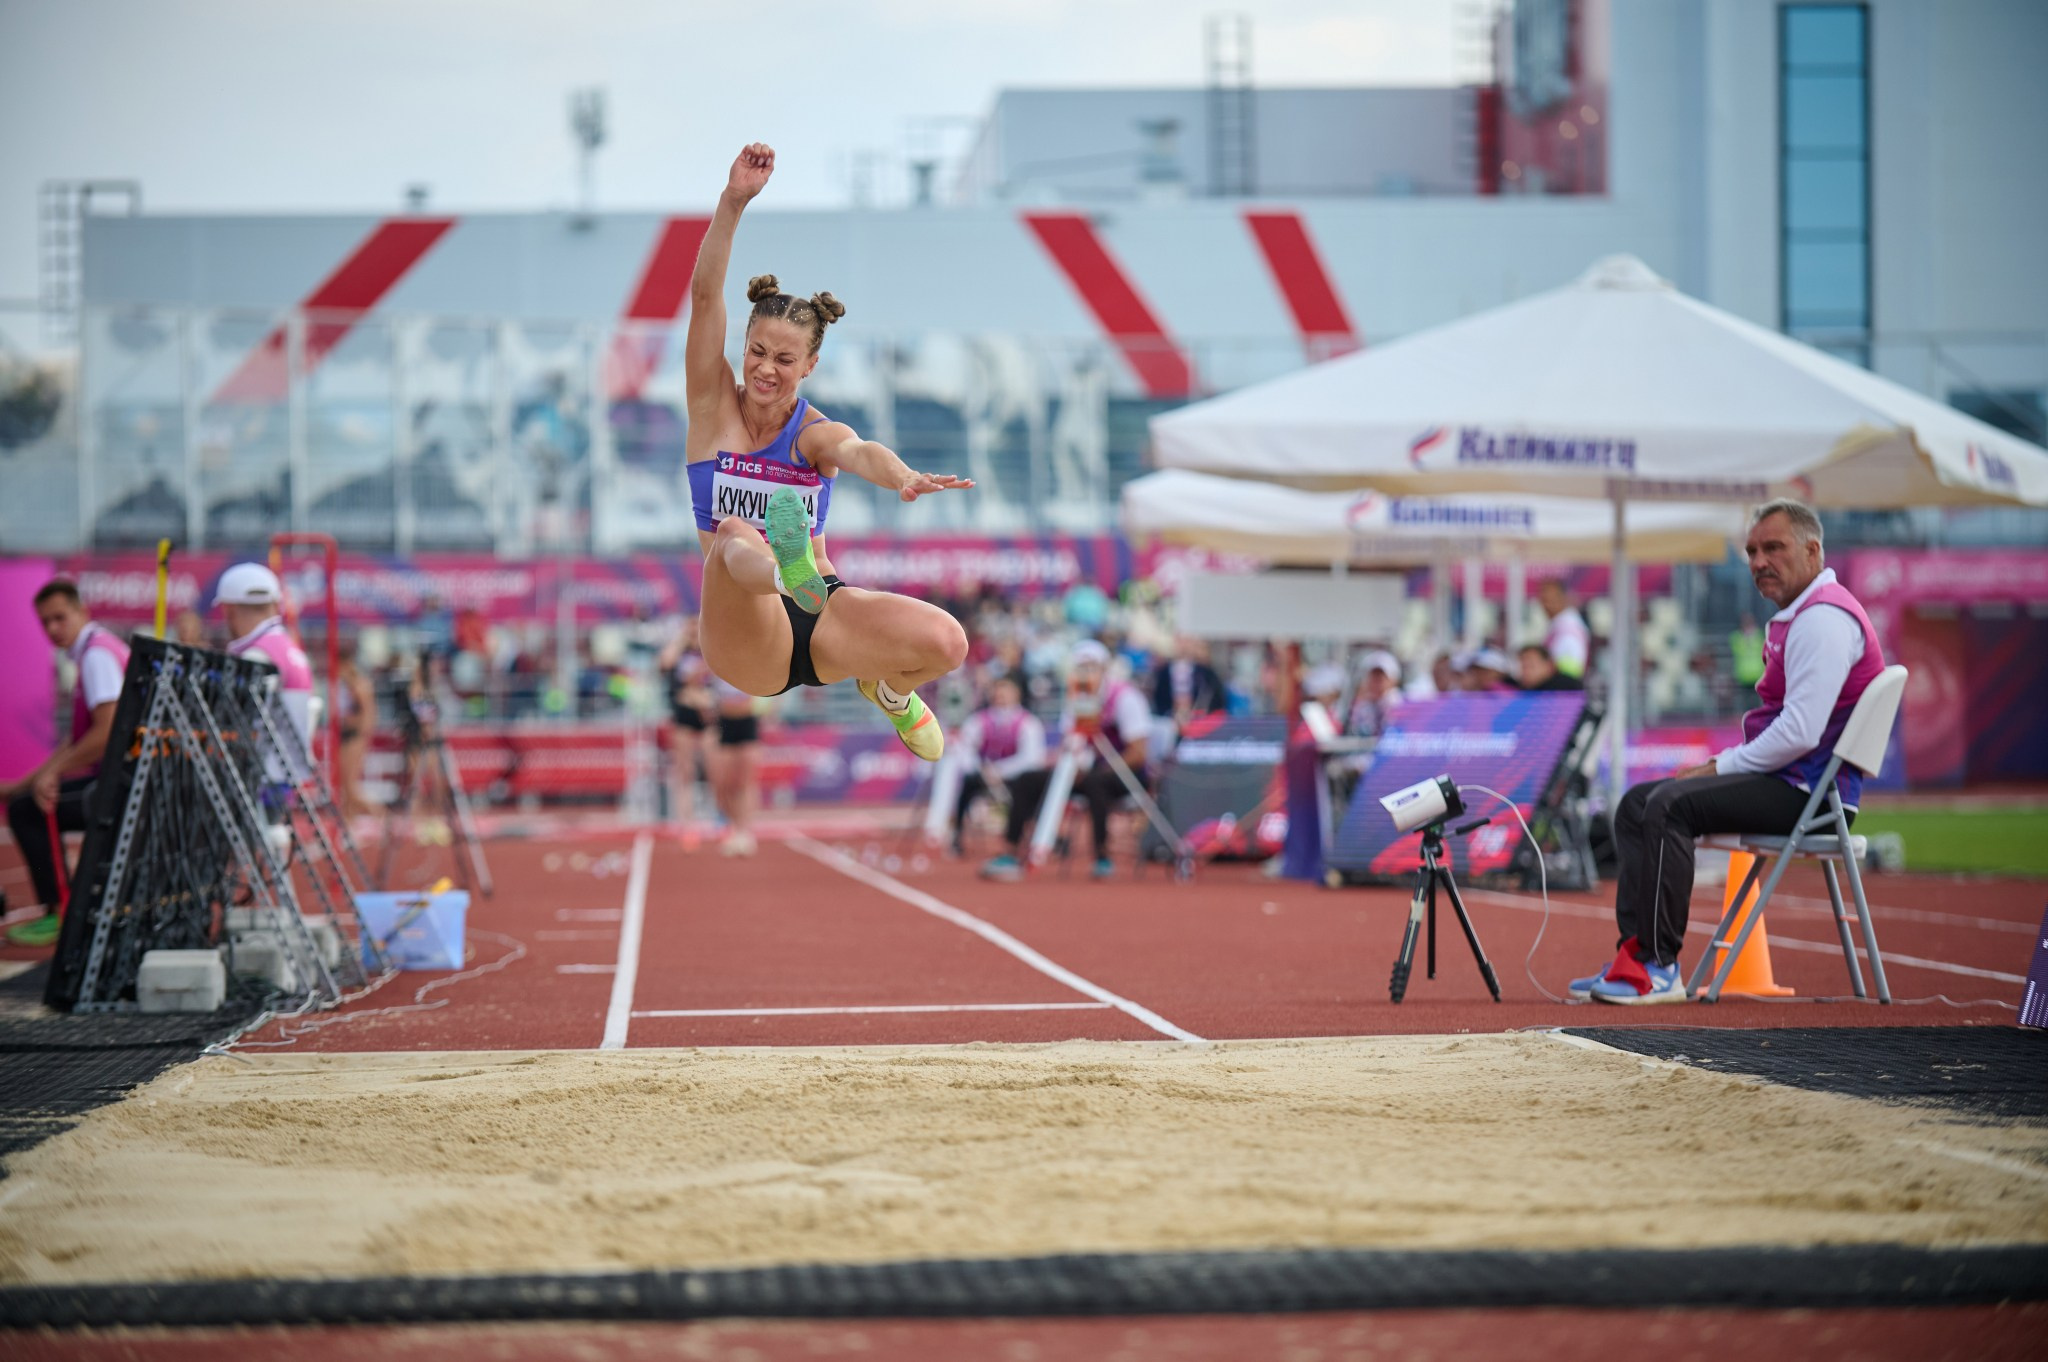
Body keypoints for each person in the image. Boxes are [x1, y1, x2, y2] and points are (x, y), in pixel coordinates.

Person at [685, 143, 970, 765]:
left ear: (810, 366)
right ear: (744, 346)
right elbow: (706, 299)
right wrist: (734, 201)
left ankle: (891, 692)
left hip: (823, 618)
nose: (766, 369)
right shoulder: (711, 407)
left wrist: (903, 476)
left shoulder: (813, 433)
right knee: (734, 532)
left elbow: (857, 450)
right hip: (748, 637)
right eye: (758, 351)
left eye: (785, 360)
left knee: (949, 642)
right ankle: (785, 572)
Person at [1570, 499, 1885, 1005]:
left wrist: (1719, 765)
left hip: (1812, 796)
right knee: (1634, 805)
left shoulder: (1824, 620)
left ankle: (1658, 967)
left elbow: (1800, 732)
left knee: (1669, 805)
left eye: (1773, 548)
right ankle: (1634, 958)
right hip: (1793, 783)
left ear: (1813, 551)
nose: (1759, 561)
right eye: (1752, 552)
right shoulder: (1803, 615)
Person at [2, 581, 128, 947]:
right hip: (120, 778)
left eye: (60, 617)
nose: (53, 628)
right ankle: (65, 908)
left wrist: (50, 776)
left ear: (82, 612)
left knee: (27, 811)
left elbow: (106, 733)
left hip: (121, 785)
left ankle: (60, 912)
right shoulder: (94, 650)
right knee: (25, 799)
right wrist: (26, 781)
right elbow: (76, 742)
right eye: (45, 622)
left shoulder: (96, 656)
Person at [980, 640, 1151, 882]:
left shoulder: (1125, 698)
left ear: (1103, 668)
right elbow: (1071, 742)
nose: (1086, 672)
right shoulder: (1075, 698)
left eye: (1091, 666)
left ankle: (1102, 857)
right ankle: (1011, 851)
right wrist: (1073, 764)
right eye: (1080, 667)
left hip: (1123, 775)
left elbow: (1138, 752)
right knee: (1028, 780)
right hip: (1082, 771)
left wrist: (1101, 768)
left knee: (1096, 782)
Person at [216, 564, 316, 793]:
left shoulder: (258, 654)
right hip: (283, 771)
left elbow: (240, 719)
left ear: (229, 610)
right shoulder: (286, 647)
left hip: (263, 774)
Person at [943, 673, 1047, 856]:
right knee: (967, 783)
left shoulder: (1028, 723)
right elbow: (965, 749)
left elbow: (1031, 759)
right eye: (998, 690)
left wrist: (1000, 771)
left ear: (1017, 693)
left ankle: (1024, 838)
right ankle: (956, 834)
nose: (1001, 695)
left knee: (1029, 788)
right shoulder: (979, 720)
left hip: (1014, 778)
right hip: (984, 775)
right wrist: (982, 769)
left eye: (1006, 690)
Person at [658, 614, 716, 845]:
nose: (693, 631)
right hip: (683, 713)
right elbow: (665, 663)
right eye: (689, 627)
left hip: (707, 713)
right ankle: (686, 820)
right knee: (685, 769)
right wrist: (681, 640)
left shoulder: (710, 649)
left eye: (696, 627)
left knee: (713, 766)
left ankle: (715, 817)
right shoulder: (679, 650)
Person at [706, 675, 761, 857]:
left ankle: (745, 831)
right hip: (725, 723)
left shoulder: (749, 667)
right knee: (725, 783)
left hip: (747, 721)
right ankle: (733, 828)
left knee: (745, 781)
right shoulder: (717, 666)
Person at [333, 636, 380, 818]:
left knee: (351, 788)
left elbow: (368, 716)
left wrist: (351, 724)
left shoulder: (359, 685)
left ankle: (381, 816)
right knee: (345, 789)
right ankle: (349, 821)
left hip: (355, 738)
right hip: (348, 736)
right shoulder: (348, 685)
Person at [1149, 635, 1228, 726]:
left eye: (1186, 642)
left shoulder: (1205, 673)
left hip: (1200, 724)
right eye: (1180, 643)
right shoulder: (1163, 672)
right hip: (1169, 722)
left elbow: (1217, 697)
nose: (1183, 646)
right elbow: (1159, 697)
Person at [1538, 578, 1591, 681]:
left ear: (1563, 599)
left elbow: (1571, 670)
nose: (1545, 605)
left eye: (1549, 600)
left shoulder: (1568, 628)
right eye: (1543, 600)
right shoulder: (1559, 624)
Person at [1517, 643, 1584, 692]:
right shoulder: (1521, 690)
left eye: (1531, 666)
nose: (1526, 671)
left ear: (1548, 665)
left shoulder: (1568, 687)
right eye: (1523, 667)